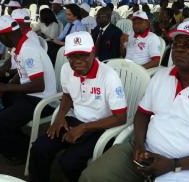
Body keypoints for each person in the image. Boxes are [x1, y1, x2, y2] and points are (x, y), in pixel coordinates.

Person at [79, 20, 189, 182]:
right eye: (176, 43)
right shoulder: (161, 77)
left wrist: (173, 164)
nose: (179, 49)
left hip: (184, 167)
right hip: (143, 151)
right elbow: (142, 114)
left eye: (188, 45)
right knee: (90, 176)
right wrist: (139, 146)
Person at [29, 31, 127, 182]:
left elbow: (120, 118)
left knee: (69, 162)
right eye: (73, 56)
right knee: (39, 148)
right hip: (75, 119)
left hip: (101, 127)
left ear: (93, 52)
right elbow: (68, 95)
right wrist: (59, 118)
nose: (78, 61)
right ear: (67, 56)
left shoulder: (109, 76)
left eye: (83, 55)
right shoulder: (66, 70)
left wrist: (84, 128)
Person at [0, 15, 56, 164]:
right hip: (27, 95)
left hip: (40, 100)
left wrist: (5, 87)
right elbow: (23, 74)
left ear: (5, 35)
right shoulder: (19, 46)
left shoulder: (28, 49)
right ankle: (15, 136)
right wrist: (3, 86)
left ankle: (23, 152)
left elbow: (39, 85)